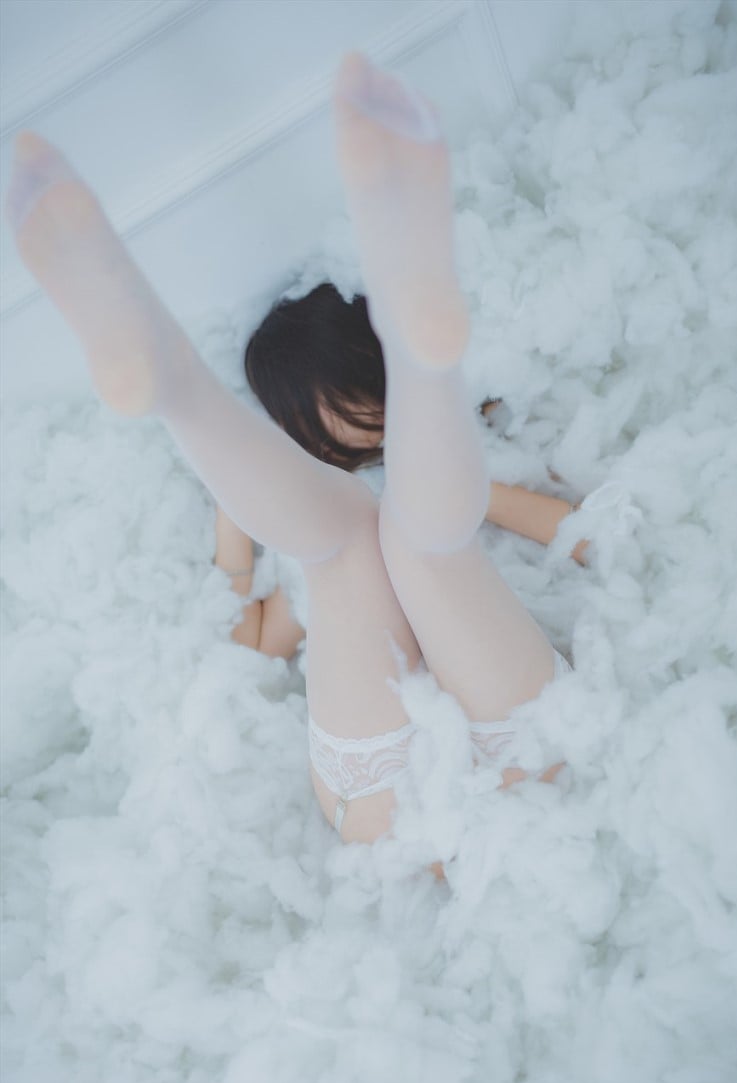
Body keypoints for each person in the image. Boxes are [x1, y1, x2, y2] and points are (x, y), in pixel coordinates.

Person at [6, 52, 580, 857]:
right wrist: (251, 517)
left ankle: (175, 387)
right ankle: (421, 354)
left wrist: (245, 524)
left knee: (352, 544)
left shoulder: (337, 523)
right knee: (419, 542)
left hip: (381, 811)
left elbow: (252, 642)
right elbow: (579, 534)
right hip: (529, 756)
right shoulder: (426, 494)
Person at [216, 282, 587, 657]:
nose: (298, 435)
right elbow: (254, 648)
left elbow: (594, 540)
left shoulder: (479, 420)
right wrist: (229, 512)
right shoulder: (340, 504)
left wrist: (461, 492)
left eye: (303, 415)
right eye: (287, 421)